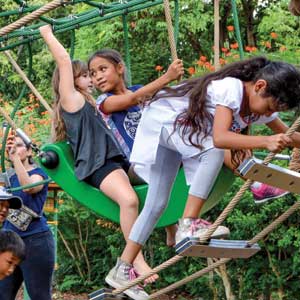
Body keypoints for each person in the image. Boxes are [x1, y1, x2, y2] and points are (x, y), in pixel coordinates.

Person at [105, 56, 300, 300]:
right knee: (215, 150)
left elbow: (292, 137)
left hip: (178, 132)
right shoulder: (231, 88)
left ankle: (122, 267)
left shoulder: (262, 105)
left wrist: (283, 138)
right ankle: (188, 224)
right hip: (165, 121)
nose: (270, 114)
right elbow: (220, 138)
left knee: (156, 204)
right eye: (270, 108)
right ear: (259, 86)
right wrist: (265, 141)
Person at [39, 25, 182, 288]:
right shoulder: (72, 100)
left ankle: (172, 226)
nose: (90, 80)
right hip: (99, 166)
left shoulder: (90, 104)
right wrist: (48, 34)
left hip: (115, 162)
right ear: (70, 81)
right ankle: (133, 261)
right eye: (84, 75)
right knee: (128, 201)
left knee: (159, 173)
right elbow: (62, 61)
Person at [88, 49, 184, 246]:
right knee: (162, 160)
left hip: (155, 154)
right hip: (135, 164)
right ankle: (180, 225)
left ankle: (173, 229)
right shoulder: (104, 102)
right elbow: (134, 99)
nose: (97, 77)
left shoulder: (139, 89)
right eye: (92, 73)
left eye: (102, 69)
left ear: (120, 68)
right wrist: (167, 76)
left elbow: (158, 100)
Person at [0, 135, 55, 300]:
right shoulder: (8, 177)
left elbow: (29, 188)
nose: (14, 149)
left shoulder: (40, 173)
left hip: (36, 241)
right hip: (10, 241)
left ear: (30, 151)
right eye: (12, 146)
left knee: (39, 295)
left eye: (19, 146)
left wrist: (15, 158)